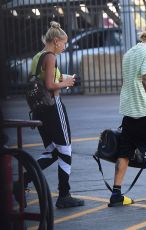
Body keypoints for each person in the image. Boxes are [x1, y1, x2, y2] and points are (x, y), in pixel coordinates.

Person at [18, 21, 84, 209]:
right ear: (56, 41)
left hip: (40, 110)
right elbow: (50, 85)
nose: (64, 47)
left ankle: (22, 180)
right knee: (65, 150)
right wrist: (67, 84)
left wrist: (66, 78)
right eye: (63, 43)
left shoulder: (38, 56)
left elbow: (44, 78)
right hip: (53, 107)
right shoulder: (51, 57)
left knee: (52, 151)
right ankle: (64, 194)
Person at [108, 30, 146, 207]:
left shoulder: (130, 52)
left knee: (124, 153)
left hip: (129, 111)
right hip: (145, 110)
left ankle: (116, 194)